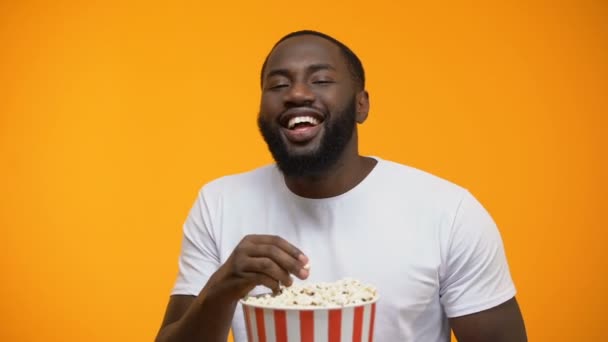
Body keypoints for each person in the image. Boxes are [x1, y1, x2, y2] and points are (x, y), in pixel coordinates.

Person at [155, 30, 527, 342]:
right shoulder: (219, 204)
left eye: (320, 80)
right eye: (278, 84)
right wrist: (223, 288)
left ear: (361, 105)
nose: (296, 94)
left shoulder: (448, 212)